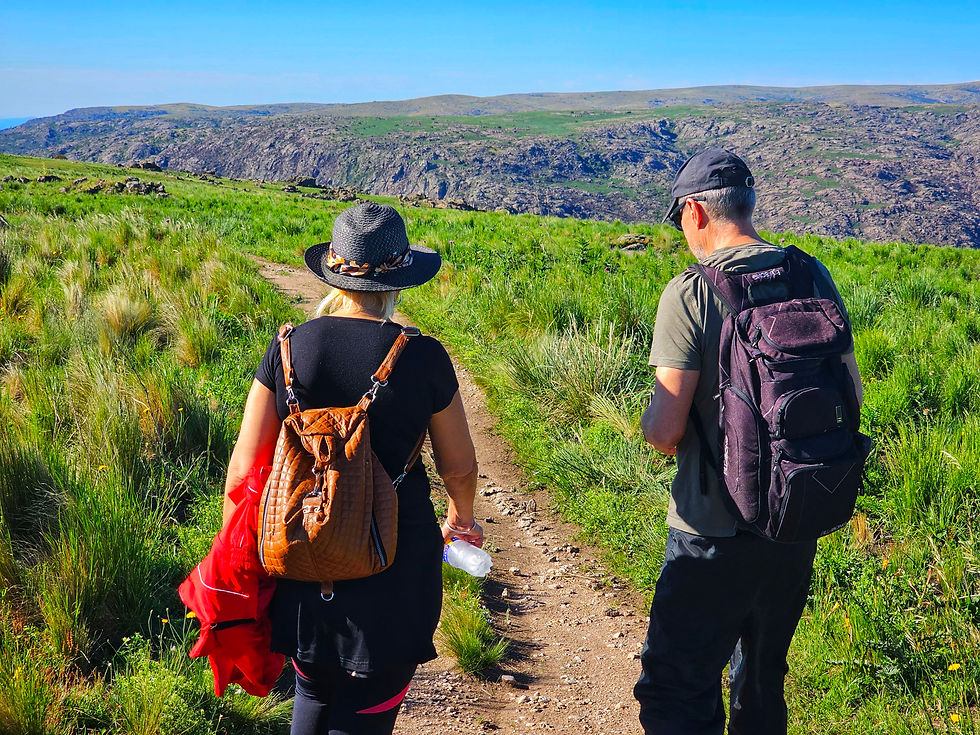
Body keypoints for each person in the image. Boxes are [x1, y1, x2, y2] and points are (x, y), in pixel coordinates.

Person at [221, 201, 483, 735]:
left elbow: (242, 473)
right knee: (368, 707)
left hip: (299, 564)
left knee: (312, 695)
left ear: (336, 274)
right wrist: (461, 518)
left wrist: (250, 557)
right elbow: (459, 467)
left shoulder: (287, 348)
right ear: (399, 279)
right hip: (394, 571)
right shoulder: (423, 356)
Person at [633, 148, 862, 734]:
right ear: (749, 204)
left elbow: (665, 433)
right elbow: (851, 395)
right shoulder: (810, 274)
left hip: (710, 531)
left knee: (676, 688)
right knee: (761, 682)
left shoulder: (690, 293)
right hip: (796, 518)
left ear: (695, 213)